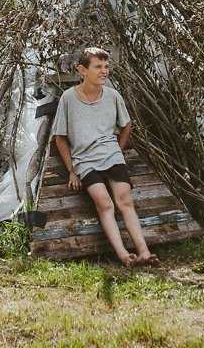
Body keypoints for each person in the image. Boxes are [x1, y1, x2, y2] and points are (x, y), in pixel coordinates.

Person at [52, 47, 158, 266]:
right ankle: (123, 255)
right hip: (85, 160)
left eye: (106, 66)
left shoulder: (112, 95)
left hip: (111, 154)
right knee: (104, 203)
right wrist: (72, 170)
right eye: (98, 67)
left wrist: (117, 149)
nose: (104, 71)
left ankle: (144, 252)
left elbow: (126, 126)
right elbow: (60, 138)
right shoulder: (69, 98)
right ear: (82, 70)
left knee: (125, 200)